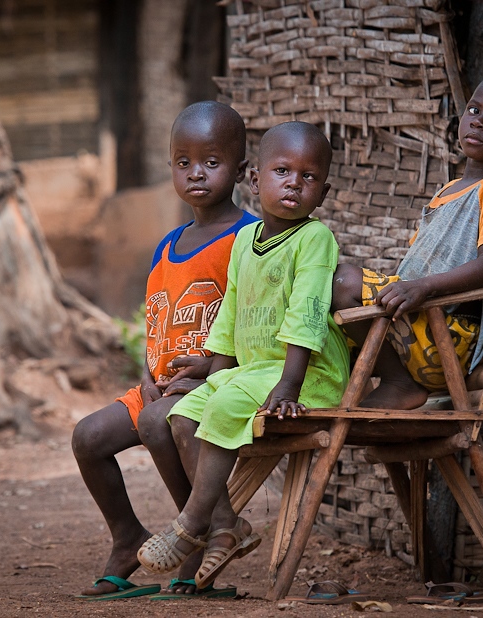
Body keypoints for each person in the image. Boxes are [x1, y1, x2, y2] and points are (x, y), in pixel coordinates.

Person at [136, 121, 350, 589]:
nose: (294, 183)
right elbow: (229, 317)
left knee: (223, 404)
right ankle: (227, 523)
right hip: (255, 372)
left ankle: (193, 524)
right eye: (281, 171)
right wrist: (214, 373)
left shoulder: (314, 239)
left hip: (307, 375)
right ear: (254, 179)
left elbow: (308, 312)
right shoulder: (244, 245)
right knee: (183, 413)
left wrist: (289, 385)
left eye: (308, 177)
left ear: (324, 191)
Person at [71, 101, 258, 600]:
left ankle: (193, 542)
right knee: (88, 437)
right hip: (161, 385)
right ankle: (126, 536)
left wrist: (212, 369)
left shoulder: (250, 240)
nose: (196, 173)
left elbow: (259, 324)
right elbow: (158, 321)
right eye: (183, 162)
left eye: (212, 162)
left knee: (162, 423)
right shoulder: (168, 244)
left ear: (240, 170)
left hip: (217, 384)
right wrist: (149, 376)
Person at [331, 71, 483, 410]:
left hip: (444, 337)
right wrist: (408, 288)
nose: (478, 122)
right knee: (312, 297)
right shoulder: (447, 191)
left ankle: (398, 384)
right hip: (414, 325)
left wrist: (423, 288)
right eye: (474, 110)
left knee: (345, 281)